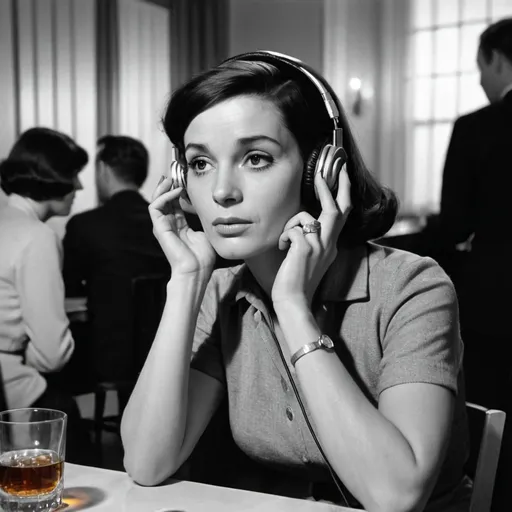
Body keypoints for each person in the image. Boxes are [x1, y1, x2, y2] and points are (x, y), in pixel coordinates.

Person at [121, 51, 471, 512]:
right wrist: (187, 279)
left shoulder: (413, 287)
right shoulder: (220, 292)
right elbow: (147, 462)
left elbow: (396, 496)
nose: (222, 190)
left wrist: (292, 307)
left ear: (319, 170)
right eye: (201, 164)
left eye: (256, 158)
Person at [433, 19, 512, 511]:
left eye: (480, 68)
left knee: (493, 420)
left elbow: (452, 226)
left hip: (495, 302)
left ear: (496, 60)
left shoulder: (478, 128)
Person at [0, 127, 90, 462]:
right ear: (50, 178)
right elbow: (53, 354)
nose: (79, 187)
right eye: (73, 175)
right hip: (14, 392)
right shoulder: (37, 236)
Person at [62, 135, 169, 387]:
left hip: (105, 355)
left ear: (103, 169)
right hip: (164, 348)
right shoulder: (166, 223)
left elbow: (69, 290)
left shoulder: (85, 225)